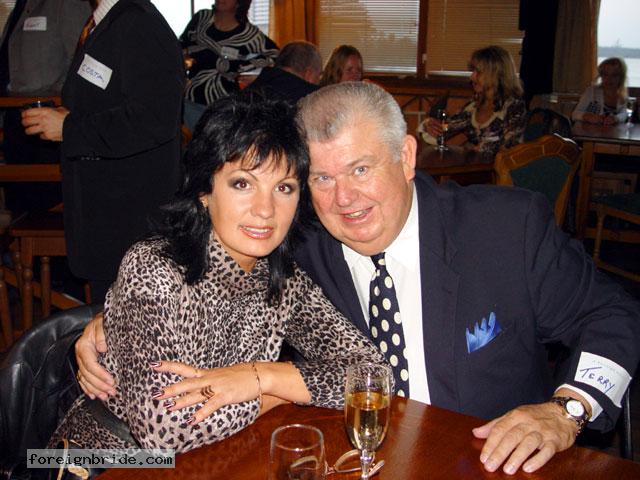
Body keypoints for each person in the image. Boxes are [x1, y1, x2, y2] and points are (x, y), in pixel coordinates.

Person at [76, 82, 640, 474]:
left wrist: (568, 409)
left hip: (490, 462)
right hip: (344, 459)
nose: (344, 199)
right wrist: (110, 319)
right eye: (320, 178)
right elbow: (200, 260)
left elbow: (615, 314)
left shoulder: (505, 230)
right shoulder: (299, 242)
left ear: (407, 156)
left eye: (361, 169)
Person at [52, 93, 384, 452]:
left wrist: (261, 376)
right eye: (242, 184)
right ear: (204, 191)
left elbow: (371, 375)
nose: (265, 209)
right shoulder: (155, 268)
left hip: (217, 457)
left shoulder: (283, 281)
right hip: (106, 458)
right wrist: (275, 394)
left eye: (283, 188)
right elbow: (163, 432)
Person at [21, 0, 185, 304]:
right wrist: (66, 118)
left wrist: (69, 128)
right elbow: (111, 100)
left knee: (129, 327)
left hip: (130, 225)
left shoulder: (139, 23)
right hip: (109, 221)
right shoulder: (107, 22)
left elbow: (155, 118)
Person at [0, 0, 92, 215]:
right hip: (17, 128)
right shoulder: (21, 6)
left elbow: (84, 67)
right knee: (21, 213)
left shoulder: (66, 4)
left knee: (49, 213)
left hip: (52, 135)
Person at [418, 45, 526, 160]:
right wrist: (429, 125)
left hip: (501, 170)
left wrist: (468, 152)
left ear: (496, 74)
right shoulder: (473, 106)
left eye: (478, 72)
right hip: (473, 167)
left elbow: (509, 148)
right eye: (473, 71)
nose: (472, 77)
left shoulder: (514, 106)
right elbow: (446, 129)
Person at [180, 0, 278, 107]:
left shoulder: (249, 34)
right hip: (191, 97)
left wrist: (241, 68)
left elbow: (276, 55)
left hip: (226, 103)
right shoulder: (202, 18)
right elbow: (180, 46)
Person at [245, 40, 321, 104]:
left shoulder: (251, 90)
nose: (319, 80)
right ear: (309, 74)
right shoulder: (313, 98)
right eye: (318, 75)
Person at [572, 57, 630, 125]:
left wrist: (616, 118)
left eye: (614, 75)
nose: (609, 79)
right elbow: (574, 114)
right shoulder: (592, 91)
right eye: (605, 74)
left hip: (612, 131)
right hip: (588, 131)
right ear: (601, 76)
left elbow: (624, 113)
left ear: (621, 77)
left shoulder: (621, 94)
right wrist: (587, 117)